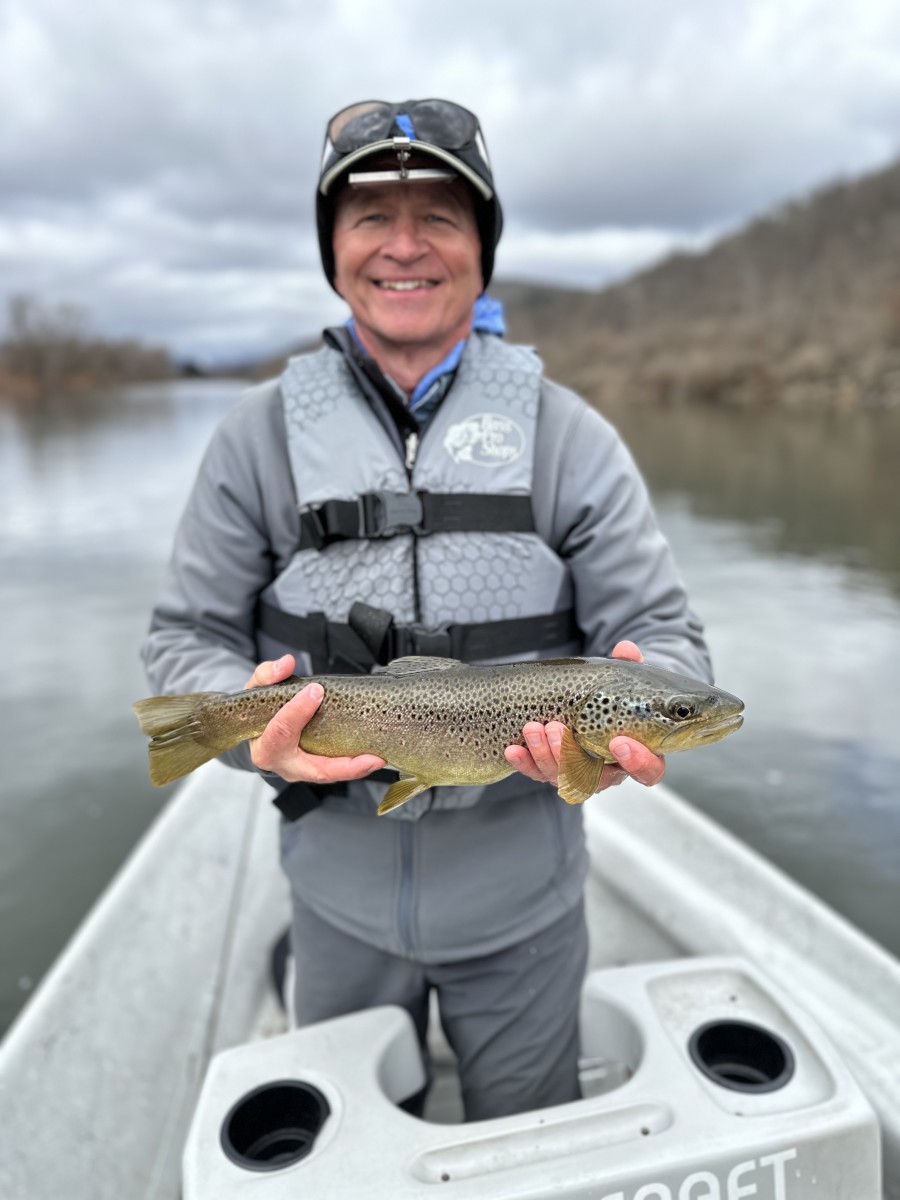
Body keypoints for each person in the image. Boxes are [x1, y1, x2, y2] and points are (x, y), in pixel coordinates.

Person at [142, 98, 711, 1121]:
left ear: (482, 248)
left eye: (441, 216)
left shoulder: (573, 436)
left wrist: (650, 690)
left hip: (527, 907)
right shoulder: (255, 437)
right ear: (333, 247)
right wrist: (244, 734)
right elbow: (183, 638)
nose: (404, 246)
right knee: (349, 1152)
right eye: (370, 216)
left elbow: (670, 640)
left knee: (529, 1147)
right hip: (334, 900)